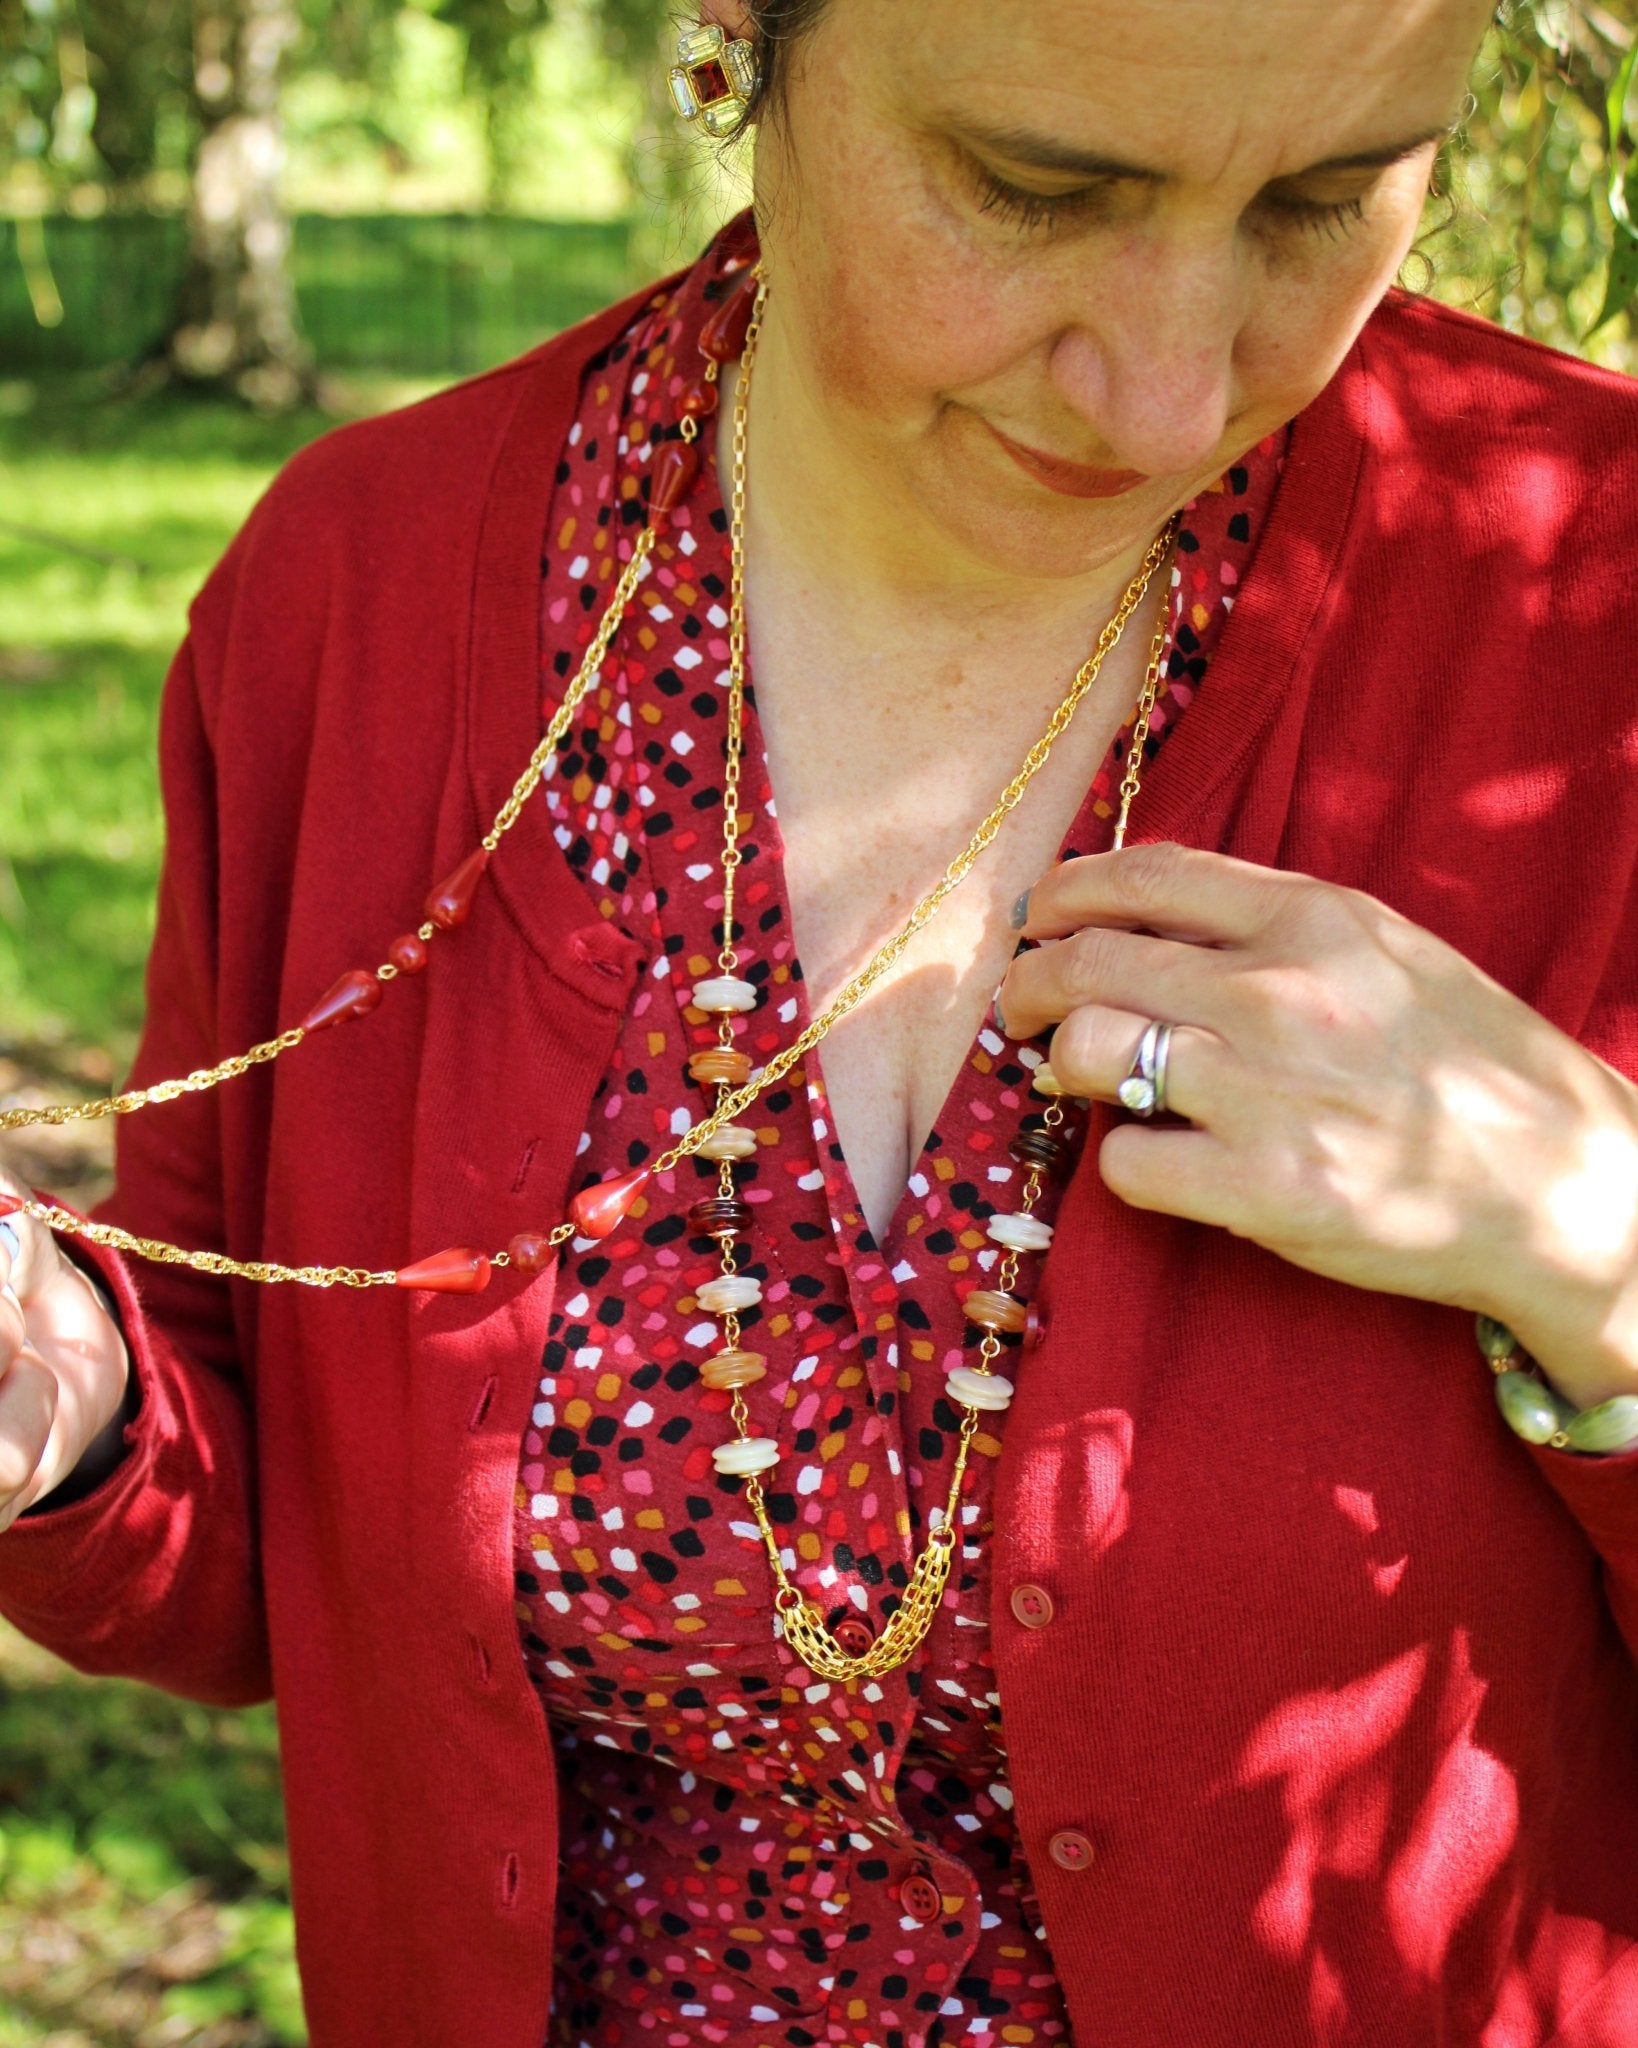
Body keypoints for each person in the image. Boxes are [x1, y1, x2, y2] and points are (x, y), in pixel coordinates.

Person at [3, 0, 1638, 2041]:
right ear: (732, 32)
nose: (1164, 387)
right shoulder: (356, 603)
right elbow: (275, 1547)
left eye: (1324, 199)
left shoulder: (1593, 615)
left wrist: (1609, 1254)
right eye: (1037, 188)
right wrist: (59, 1405)